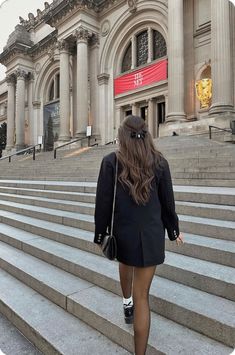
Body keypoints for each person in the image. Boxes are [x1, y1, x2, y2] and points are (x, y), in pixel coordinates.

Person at [94, 115, 184, 355]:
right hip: (152, 235)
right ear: (147, 135)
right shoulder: (160, 163)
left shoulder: (111, 162)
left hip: (124, 233)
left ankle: (126, 304)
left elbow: (102, 203)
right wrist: (173, 230)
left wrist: (99, 234)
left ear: (122, 137)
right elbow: (168, 202)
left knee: (126, 265)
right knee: (143, 296)